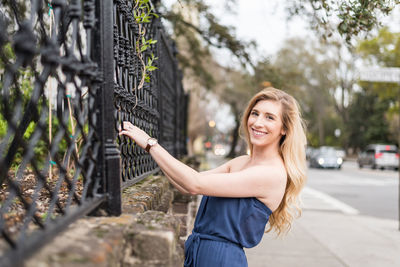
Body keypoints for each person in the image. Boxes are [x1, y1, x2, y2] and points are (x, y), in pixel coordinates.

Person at [119, 87, 307, 267]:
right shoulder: (241, 162)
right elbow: (186, 185)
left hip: (222, 259)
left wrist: (150, 144)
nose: (258, 122)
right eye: (255, 113)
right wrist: (153, 153)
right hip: (197, 252)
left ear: (284, 128)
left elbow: (195, 184)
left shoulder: (271, 173)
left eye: (270, 118)